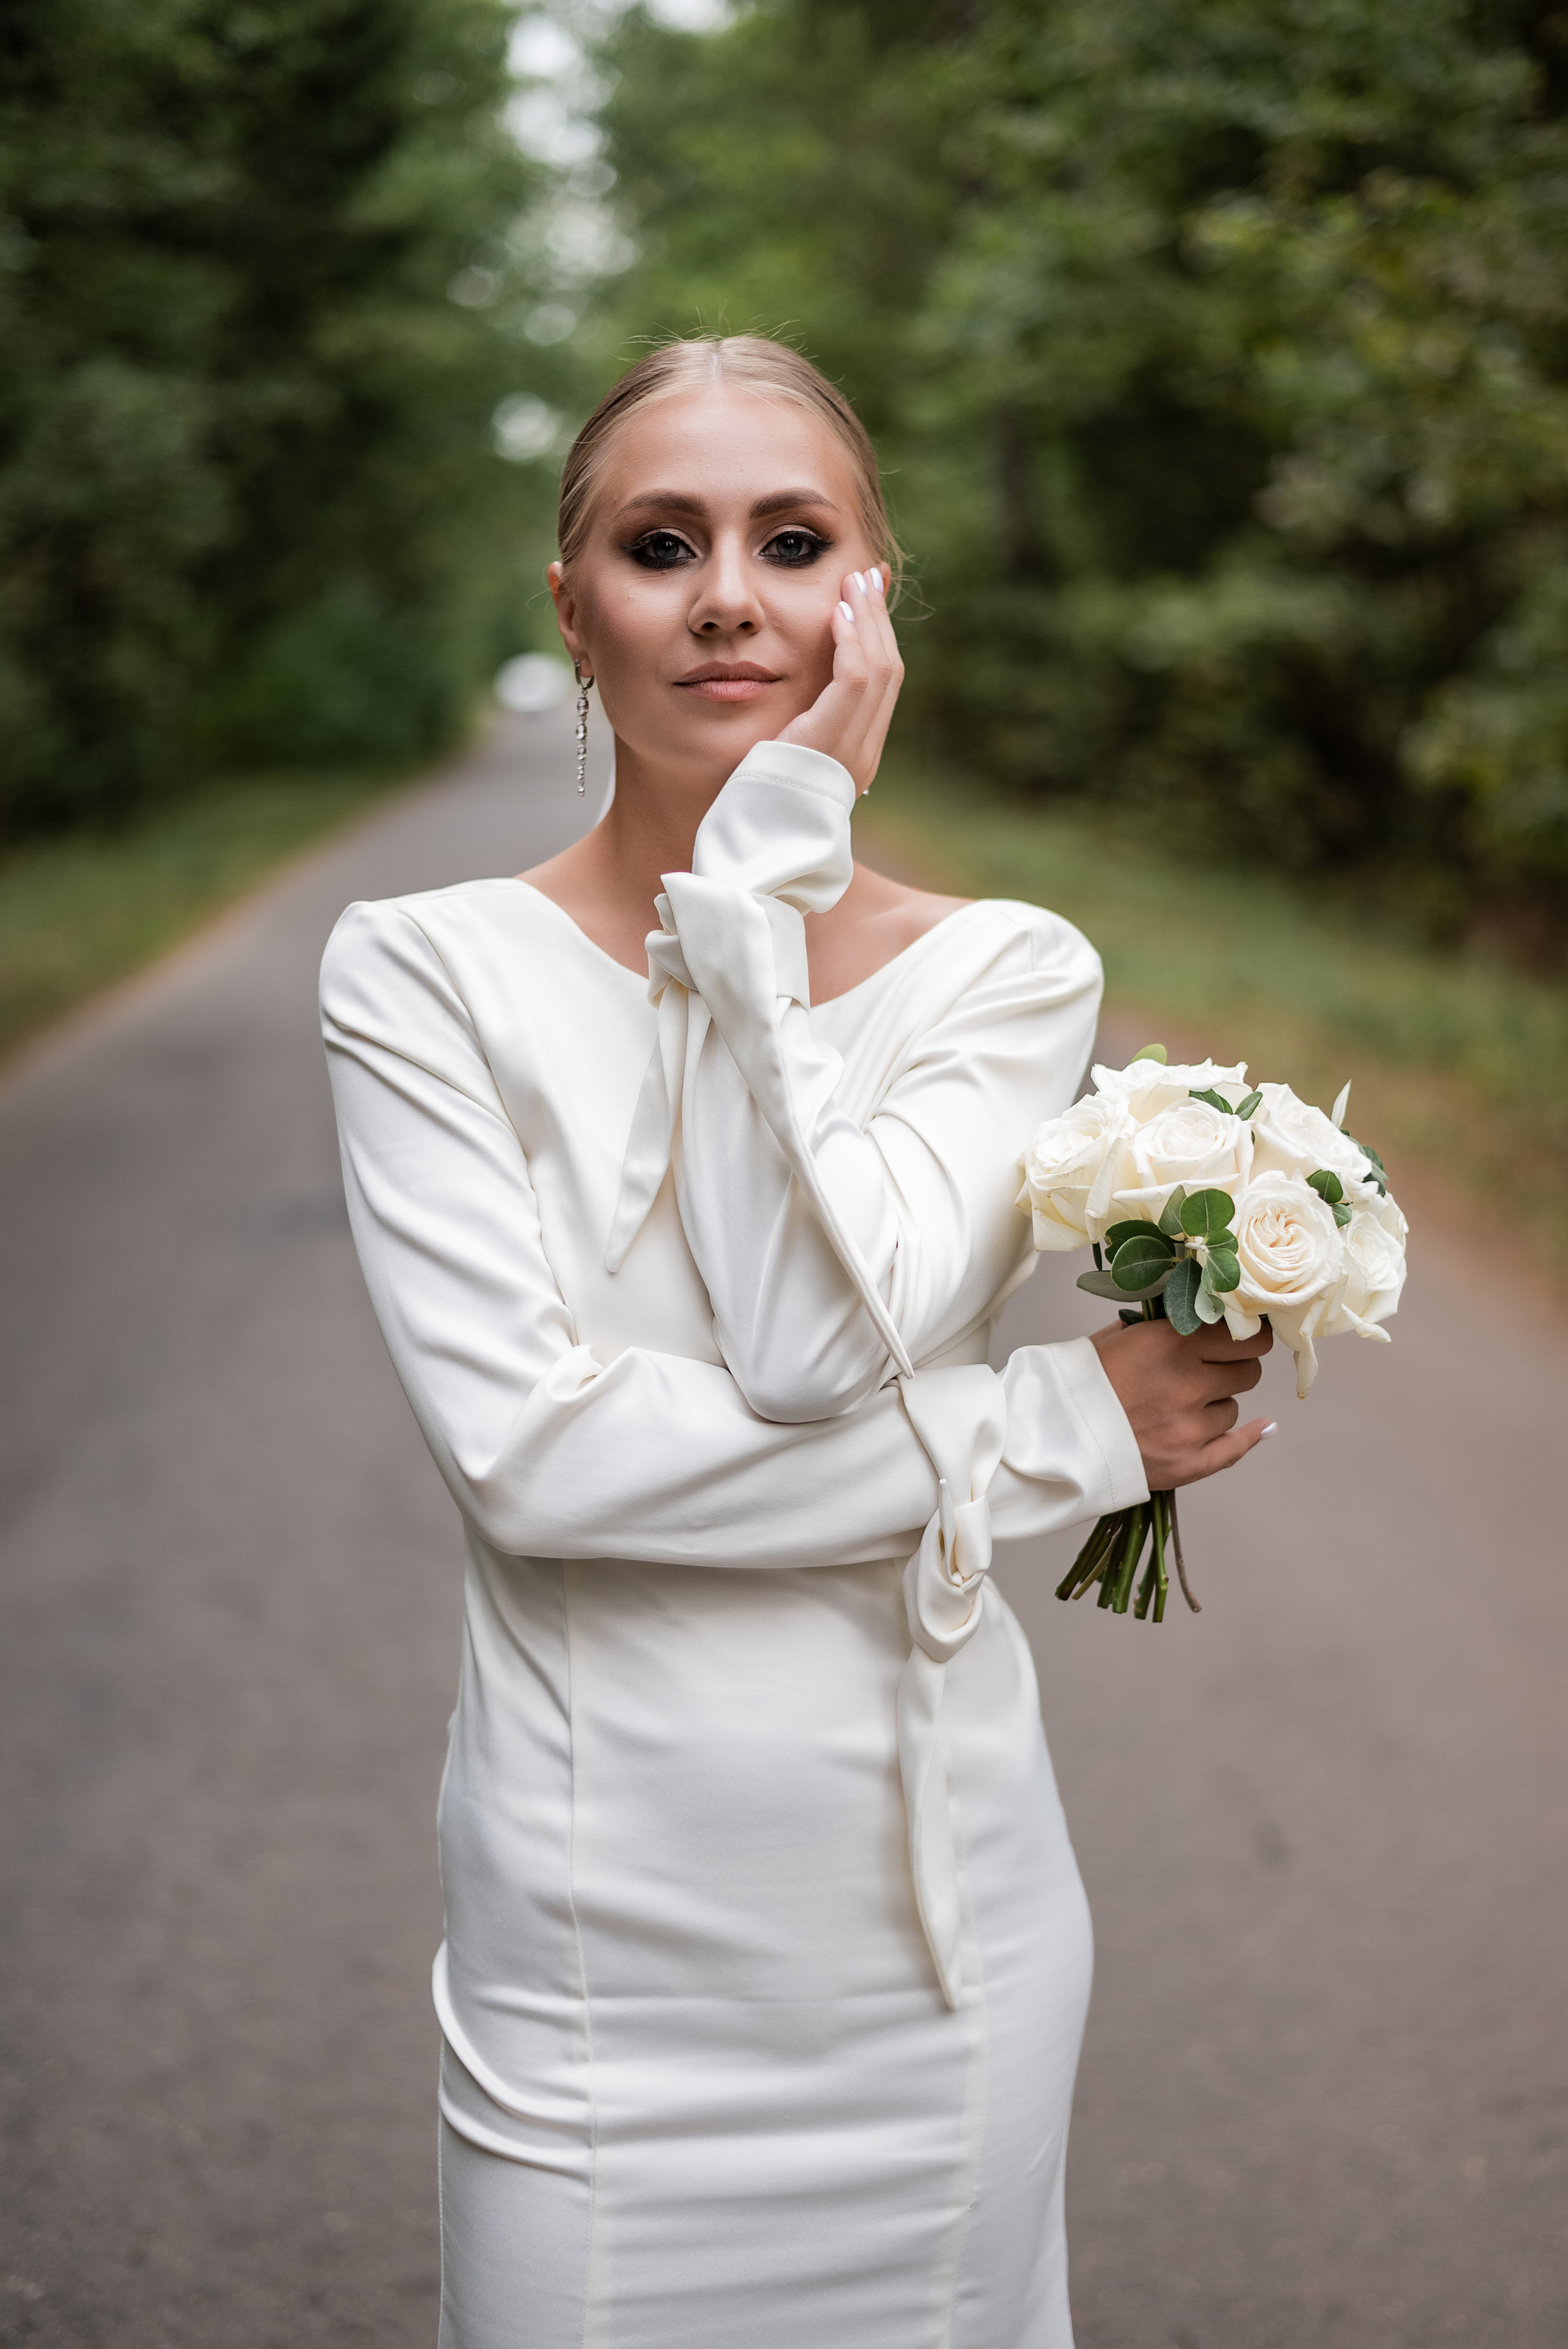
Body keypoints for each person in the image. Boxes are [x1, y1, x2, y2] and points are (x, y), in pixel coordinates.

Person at [320, 336, 1272, 2349]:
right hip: (596, 1969)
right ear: (573, 608)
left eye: (793, 539)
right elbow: (541, 1460)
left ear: (873, 600)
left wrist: (760, 878)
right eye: (662, 545)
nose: (731, 595)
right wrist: (1044, 1427)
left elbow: (802, 1344)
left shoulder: (1003, 972)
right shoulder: (421, 975)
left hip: (938, 1968)